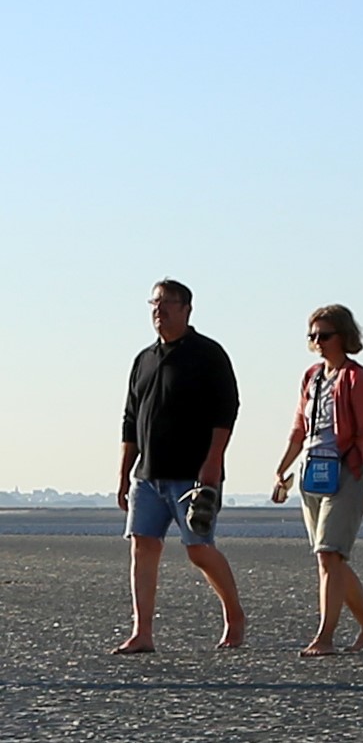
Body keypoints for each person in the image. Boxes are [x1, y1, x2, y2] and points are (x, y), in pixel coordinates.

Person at [114, 279, 244, 654]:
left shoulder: (208, 354)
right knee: (143, 546)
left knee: (198, 549)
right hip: (148, 476)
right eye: (155, 303)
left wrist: (213, 462)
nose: (160, 309)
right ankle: (142, 632)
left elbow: (226, 411)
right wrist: (123, 474)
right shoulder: (144, 360)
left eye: (168, 302)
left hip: (193, 475)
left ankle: (234, 615)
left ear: (187, 309)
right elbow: (130, 420)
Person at [270, 305, 363, 655]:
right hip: (313, 473)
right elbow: (299, 428)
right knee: (329, 557)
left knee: (328, 554)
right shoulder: (312, 376)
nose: (318, 342)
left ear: (344, 336)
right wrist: (281, 469)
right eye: (313, 336)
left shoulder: (356, 378)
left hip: (347, 472)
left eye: (325, 335)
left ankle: (325, 636)